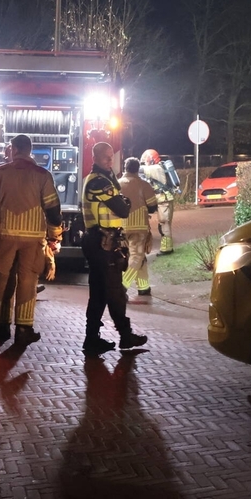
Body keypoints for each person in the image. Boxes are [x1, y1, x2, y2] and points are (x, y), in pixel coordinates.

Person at [0, 134, 62, 347]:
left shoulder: (0, 172)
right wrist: (54, 236)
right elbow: (53, 210)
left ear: (13, 149)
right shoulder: (43, 175)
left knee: (3, 279)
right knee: (28, 281)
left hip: (6, 235)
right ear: (30, 150)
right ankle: (24, 330)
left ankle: (1, 327)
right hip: (33, 239)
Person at [81, 141, 148, 354]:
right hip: (102, 243)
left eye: (111, 156)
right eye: (105, 157)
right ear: (95, 158)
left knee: (99, 294)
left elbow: (121, 204)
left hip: (101, 241)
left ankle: (92, 339)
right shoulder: (99, 182)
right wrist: (123, 201)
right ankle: (125, 335)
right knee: (114, 291)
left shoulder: (104, 180)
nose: (110, 160)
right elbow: (123, 208)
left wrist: (122, 201)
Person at [118, 157, 158, 300]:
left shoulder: (117, 184)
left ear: (125, 168)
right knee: (136, 256)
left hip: (120, 227)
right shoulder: (143, 185)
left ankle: (143, 287)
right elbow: (152, 207)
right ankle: (122, 286)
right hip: (138, 227)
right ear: (137, 169)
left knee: (137, 257)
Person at [140, 149, 176, 255]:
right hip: (164, 199)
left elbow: (139, 170)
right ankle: (168, 247)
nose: (146, 162)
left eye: (146, 160)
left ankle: (166, 249)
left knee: (164, 224)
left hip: (163, 200)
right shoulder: (158, 167)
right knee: (165, 224)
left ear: (151, 159)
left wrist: (130, 165)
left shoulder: (155, 168)